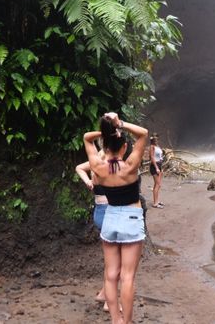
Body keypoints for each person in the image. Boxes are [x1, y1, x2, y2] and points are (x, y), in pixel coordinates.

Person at [84, 112, 148, 324]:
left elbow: (86, 137)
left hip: (110, 217)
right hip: (130, 217)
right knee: (127, 276)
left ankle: (115, 320)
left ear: (105, 147)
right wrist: (119, 124)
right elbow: (143, 134)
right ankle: (127, 322)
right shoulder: (130, 167)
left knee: (111, 275)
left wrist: (106, 129)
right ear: (123, 148)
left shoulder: (97, 166)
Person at [74, 159, 108, 307]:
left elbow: (79, 167)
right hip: (109, 211)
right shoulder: (109, 163)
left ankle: (103, 293)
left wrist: (88, 180)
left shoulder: (96, 161)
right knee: (115, 261)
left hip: (99, 210)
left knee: (111, 259)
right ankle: (109, 301)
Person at [149, 135, 164, 208]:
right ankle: (155, 203)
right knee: (157, 185)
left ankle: (157, 201)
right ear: (153, 140)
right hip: (155, 166)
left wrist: (161, 168)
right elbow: (152, 157)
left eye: (157, 139)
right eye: (155, 140)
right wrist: (157, 168)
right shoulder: (152, 147)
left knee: (158, 185)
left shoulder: (158, 147)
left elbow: (160, 156)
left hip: (159, 165)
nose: (157, 141)